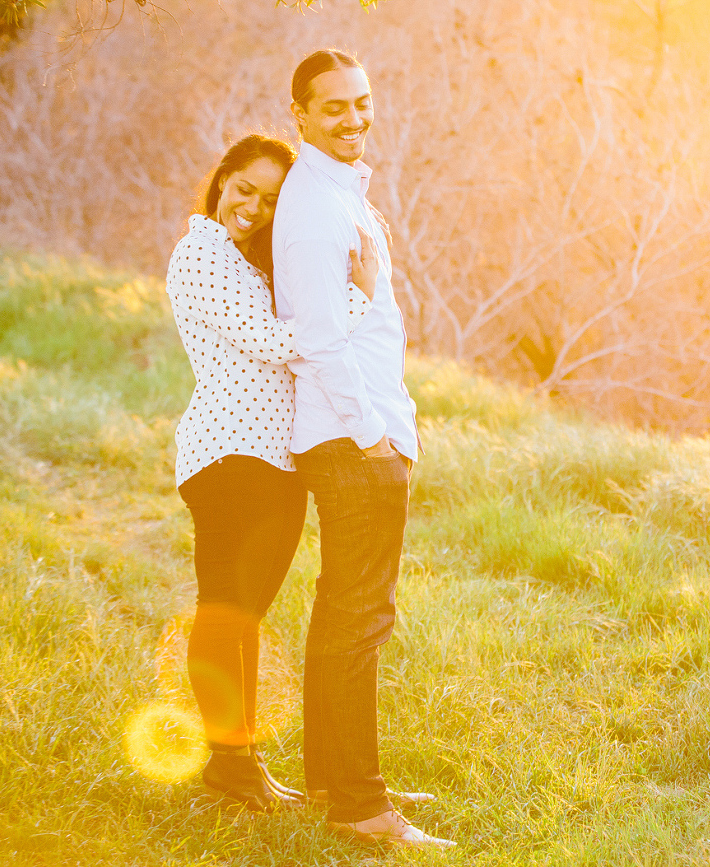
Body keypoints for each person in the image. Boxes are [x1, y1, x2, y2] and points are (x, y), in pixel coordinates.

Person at [272, 50, 455, 849]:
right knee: (359, 618)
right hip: (352, 439)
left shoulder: (339, 193)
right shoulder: (313, 203)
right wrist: (371, 433)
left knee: (343, 614)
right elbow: (315, 336)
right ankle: (360, 806)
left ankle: (333, 783)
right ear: (301, 117)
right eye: (334, 107)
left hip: (363, 429)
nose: (353, 117)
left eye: (362, 102)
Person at [165, 133, 379, 812]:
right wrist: (357, 297)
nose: (251, 206)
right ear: (221, 178)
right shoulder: (202, 250)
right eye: (243, 188)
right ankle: (230, 765)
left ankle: (238, 763)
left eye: (269, 197)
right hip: (232, 454)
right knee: (227, 611)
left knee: (242, 614)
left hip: (269, 458)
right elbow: (274, 343)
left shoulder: (243, 260)